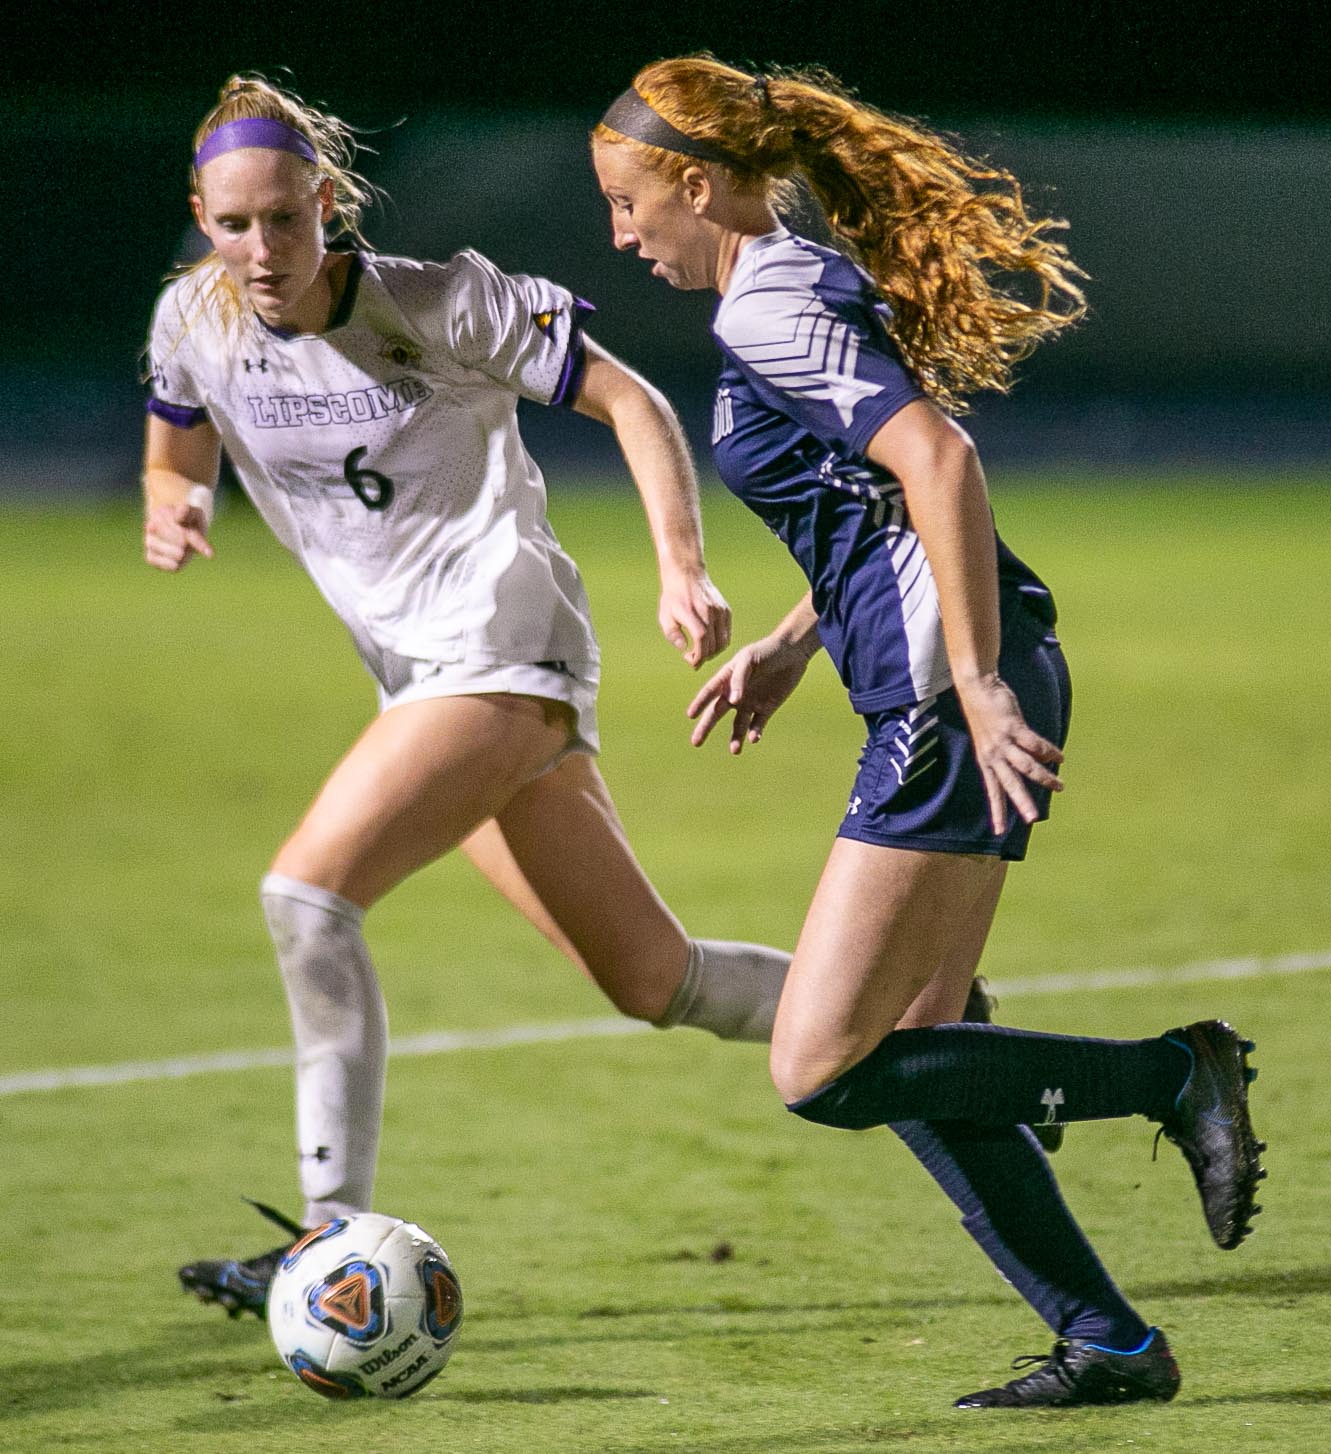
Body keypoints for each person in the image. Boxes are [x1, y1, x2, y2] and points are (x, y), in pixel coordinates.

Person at [591, 58, 1266, 1409]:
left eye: (625, 203)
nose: (621, 233)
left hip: (943, 694)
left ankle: (1168, 1074)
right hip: (939, 673)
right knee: (919, 1034)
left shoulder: (771, 305)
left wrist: (969, 678)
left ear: (697, 183)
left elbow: (938, 462)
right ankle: (1109, 1343)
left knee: (818, 1065)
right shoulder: (777, 287)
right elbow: (866, 510)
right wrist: (791, 644)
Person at [143, 75, 812, 1317]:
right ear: (202, 216)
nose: (261, 250)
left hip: (500, 646)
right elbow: (176, 433)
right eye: (233, 226)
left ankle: (326, 1240)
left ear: (324, 203)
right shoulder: (193, 319)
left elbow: (633, 398)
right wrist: (170, 501)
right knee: (654, 978)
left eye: (283, 220)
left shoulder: (439, 300)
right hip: (422, 677)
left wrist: (681, 564)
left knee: (305, 897)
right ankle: (937, 1026)